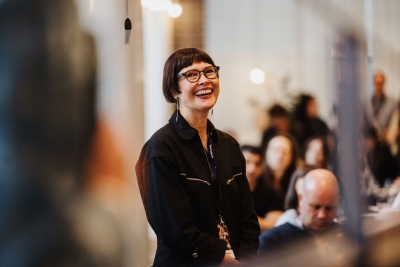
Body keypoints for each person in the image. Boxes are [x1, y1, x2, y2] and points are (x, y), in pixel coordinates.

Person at [135, 48, 260, 266]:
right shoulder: (161, 149)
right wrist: (227, 261)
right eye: (192, 75)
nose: (205, 80)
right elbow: (178, 232)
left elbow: (248, 220)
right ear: (174, 89)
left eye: (210, 72)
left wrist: (245, 259)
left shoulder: (229, 146)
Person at [258, 169, 342, 257]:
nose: (322, 215)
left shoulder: (346, 237)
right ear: (300, 199)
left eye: (329, 208)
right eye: (316, 207)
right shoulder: (272, 241)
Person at [240, 145, 283, 232]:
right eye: (247, 162)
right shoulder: (223, 189)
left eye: (257, 164)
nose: (252, 169)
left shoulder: (271, 194)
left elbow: (273, 225)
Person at [260, 134, 299, 212]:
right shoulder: (255, 179)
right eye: (275, 149)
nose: (279, 155)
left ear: (292, 156)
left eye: (285, 151)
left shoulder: (296, 182)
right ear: (266, 152)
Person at [371, 71, 398, 137]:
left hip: (387, 141)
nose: (379, 86)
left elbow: (395, 124)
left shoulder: (393, 104)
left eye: (380, 83)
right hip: (371, 141)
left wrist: (390, 131)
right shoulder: (367, 104)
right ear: (373, 83)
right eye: (377, 83)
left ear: (384, 84)